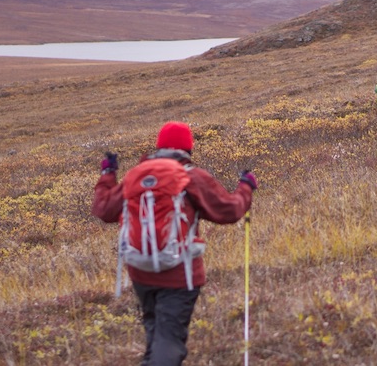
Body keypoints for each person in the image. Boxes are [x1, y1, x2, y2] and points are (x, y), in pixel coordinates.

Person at [92, 121, 256, 366]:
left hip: (140, 272)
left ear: (159, 146)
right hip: (181, 275)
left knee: (155, 331)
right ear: (188, 148)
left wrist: (107, 176)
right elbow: (229, 211)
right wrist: (246, 188)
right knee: (169, 340)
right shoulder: (191, 176)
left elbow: (103, 209)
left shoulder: (136, 175)